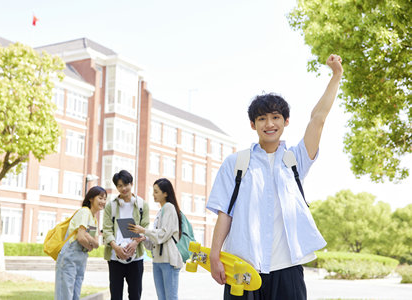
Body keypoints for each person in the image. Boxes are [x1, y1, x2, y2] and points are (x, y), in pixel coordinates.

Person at [207, 54, 343, 299]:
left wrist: (336, 76)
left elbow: (318, 119)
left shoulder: (295, 160)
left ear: (286, 121)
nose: (269, 123)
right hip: (242, 266)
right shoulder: (236, 164)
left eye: (275, 117)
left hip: (287, 268)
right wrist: (214, 255)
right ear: (253, 124)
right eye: (262, 118)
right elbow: (224, 214)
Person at [129, 178, 183, 300]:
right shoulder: (160, 211)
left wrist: (143, 230)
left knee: (170, 297)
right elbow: (155, 241)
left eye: (156, 191)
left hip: (168, 260)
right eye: (153, 191)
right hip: (158, 261)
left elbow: (163, 234)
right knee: (161, 297)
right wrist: (143, 238)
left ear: (165, 193)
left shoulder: (169, 207)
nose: (153, 194)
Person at [102, 170, 150, 300]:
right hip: (114, 256)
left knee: (135, 295)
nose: (123, 188)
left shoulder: (142, 205)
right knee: (115, 295)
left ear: (131, 183)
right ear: (116, 187)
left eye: (126, 184)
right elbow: (106, 230)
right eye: (119, 185)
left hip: (136, 258)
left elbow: (145, 228)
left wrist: (135, 243)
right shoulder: (110, 206)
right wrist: (116, 247)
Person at [55, 185, 107, 300]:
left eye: (105, 199)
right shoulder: (85, 212)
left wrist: (88, 238)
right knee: (65, 294)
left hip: (81, 256)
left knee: (75, 293)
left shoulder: (94, 219)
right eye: (100, 198)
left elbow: (97, 244)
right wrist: (89, 242)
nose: (103, 201)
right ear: (91, 198)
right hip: (71, 254)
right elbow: (81, 238)